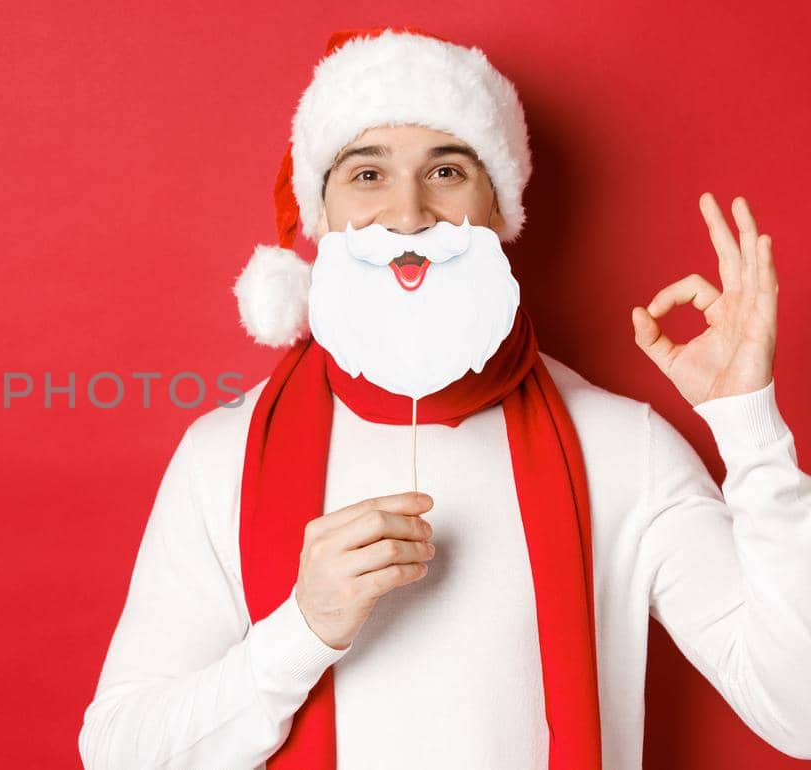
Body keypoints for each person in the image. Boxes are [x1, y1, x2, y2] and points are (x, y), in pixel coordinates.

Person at [77, 26, 811, 769]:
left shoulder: (624, 447)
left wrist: (749, 426)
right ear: (320, 218)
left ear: (498, 213)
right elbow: (119, 753)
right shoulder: (222, 458)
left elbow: (800, 714)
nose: (407, 214)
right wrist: (302, 629)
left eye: (447, 171)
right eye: (367, 175)